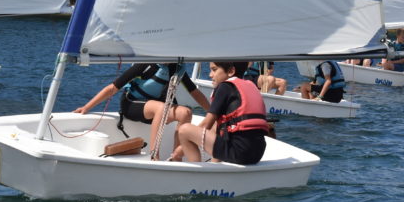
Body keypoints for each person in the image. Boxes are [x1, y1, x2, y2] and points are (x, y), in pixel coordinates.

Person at [74, 62, 211, 161]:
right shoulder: (145, 65)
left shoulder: (176, 69)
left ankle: (176, 157)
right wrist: (87, 107)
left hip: (157, 110)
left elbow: (195, 92)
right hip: (132, 105)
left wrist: (212, 113)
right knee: (162, 108)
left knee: (185, 112)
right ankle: (154, 156)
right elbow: (112, 88)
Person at [175, 62, 269, 164]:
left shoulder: (224, 87)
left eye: (214, 70)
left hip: (239, 152)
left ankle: (197, 172)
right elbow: (220, 128)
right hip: (258, 152)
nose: (210, 75)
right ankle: (214, 165)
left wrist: (181, 149)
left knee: (184, 130)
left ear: (231, 71)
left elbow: (206, 124)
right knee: (219, 126)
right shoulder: (251, 85)